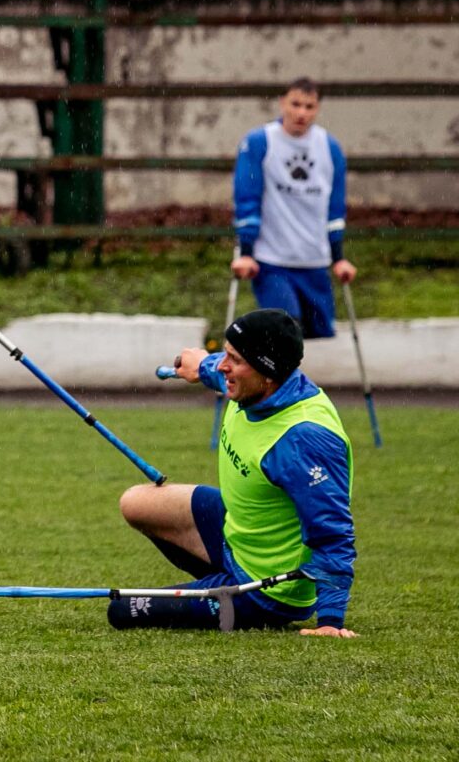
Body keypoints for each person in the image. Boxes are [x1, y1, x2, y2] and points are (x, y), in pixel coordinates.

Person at [115, 309, 356, 637]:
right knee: (136, 503)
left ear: (267, 373)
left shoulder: (303, 438)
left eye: (235, 359)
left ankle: (228, 595)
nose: (224, 366)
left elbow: (332, 530)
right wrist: (199, 364)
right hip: (235, 533)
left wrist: (330, 621)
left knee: (123, 608)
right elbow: (215, 368)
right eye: (225, 354)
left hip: (267, 589)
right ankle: (213, 584)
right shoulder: (251, 383)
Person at [231, 77, 357, 339]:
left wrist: (338, 256)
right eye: (295, 104)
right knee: (285, 329)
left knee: (319, 334)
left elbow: (334, 207)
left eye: (309, 106)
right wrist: (246, 250)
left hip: (314, 259)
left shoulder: (330, 147)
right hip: (272, 260)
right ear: (282, 103)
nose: (301, 113)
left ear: (318, 108)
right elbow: (247, 196)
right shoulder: (259, 142)